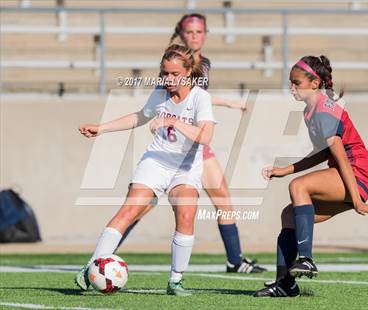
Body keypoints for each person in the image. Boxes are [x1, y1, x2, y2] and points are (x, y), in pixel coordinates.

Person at [117, 13, 266, 274]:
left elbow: (199, 97)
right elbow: (173, 95)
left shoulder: (204, 62)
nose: (195, 36)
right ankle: (106, 253)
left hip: (196, 144)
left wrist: (228, 103)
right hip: (173, 147)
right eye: (189, 32)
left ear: (206, 34)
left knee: (222, 197)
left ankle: (235, 260)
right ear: (181, 33)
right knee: (142, 206)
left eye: (199, 32)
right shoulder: (175, 60)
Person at [75, 44, 216, 296]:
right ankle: (91, 267)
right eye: (164, 73)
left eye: (174, 74)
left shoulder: (200, 98)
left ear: (189, 72)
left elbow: (205, 136)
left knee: (185, 215)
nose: (168, 79)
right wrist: (102, 128)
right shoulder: (160, 93)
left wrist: (173, 121)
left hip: (185, 168)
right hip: (156, 162)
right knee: (130, 209)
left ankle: (175, 281)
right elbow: (140, 117)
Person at [254, 55, 368, 297]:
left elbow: (341, 157)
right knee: (289, 214)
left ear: (314, 83)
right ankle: (285, 284)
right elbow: (323, 153)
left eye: (296, 82)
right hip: (348, 174)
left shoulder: (323, 110)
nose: (291, 87)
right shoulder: (310, 111)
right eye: (290, 82)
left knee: (298, 187)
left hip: (357, 172)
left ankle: (307, 259)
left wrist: (357, 201)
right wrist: (287, 168)